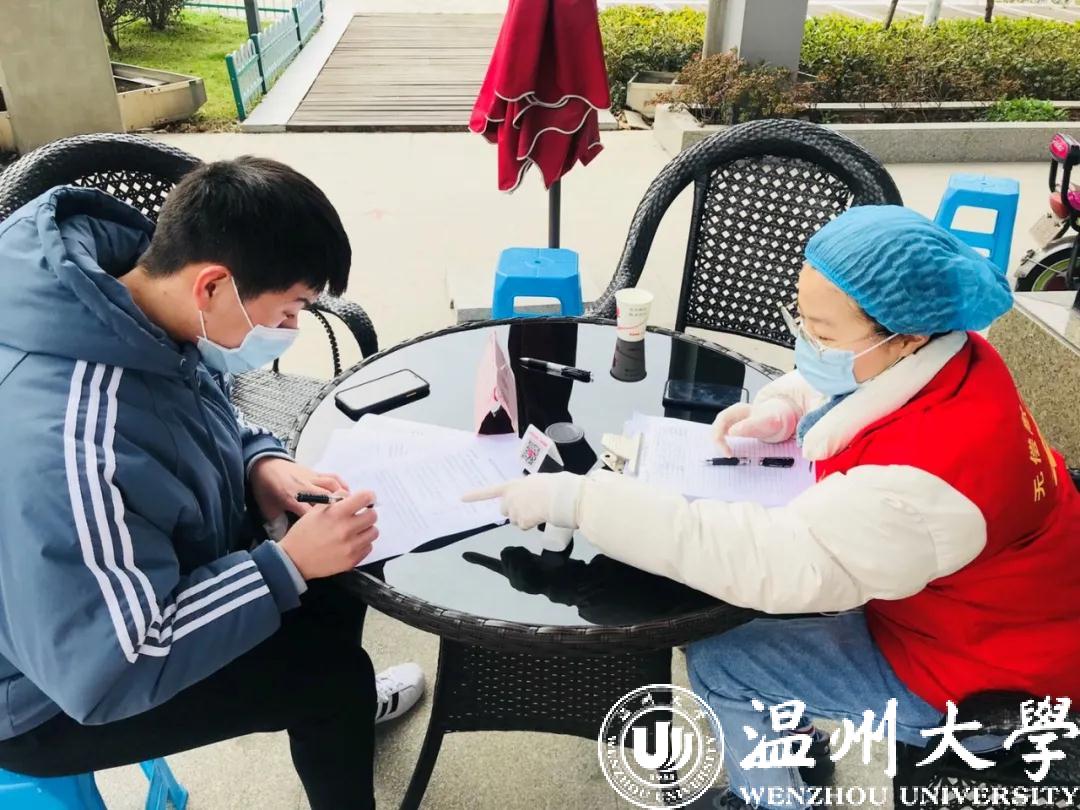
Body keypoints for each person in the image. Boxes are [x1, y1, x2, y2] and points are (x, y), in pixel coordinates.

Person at [468, 206, 1080, 809]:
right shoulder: (957, 358)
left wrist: (578, 498)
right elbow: (854, 376)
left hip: (980, 677)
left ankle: (774, 799)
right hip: (987, 614)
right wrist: (786, 407)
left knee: (726, 659)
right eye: (802, 320)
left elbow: (767, 563)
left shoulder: (925, 483)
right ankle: (797, 747)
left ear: (909, 336)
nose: (807, 343)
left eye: (823, 334)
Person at [0, 157, 425, 809]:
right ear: (213, 286)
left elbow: (200, 400)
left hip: (113, 590)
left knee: (337, 560)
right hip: (50, 694)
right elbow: (114, 665)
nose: (289, 331)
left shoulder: (125, 304)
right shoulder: (72, 443)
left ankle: (333, 718)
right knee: (328, 674)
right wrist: (284, 566)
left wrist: (259, 461)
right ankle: (334, 705)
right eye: (289, 311)